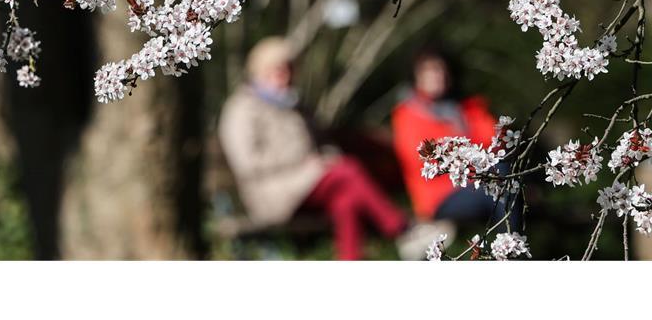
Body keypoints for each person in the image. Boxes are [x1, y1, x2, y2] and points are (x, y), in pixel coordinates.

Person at [218, 36, 444, 260]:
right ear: (261, 70)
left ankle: (351, 260)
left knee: (346, 198)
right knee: (348, 171)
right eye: (278, 70)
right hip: (271, 193)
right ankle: (402, 230)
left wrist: (324, 159)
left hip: (306, 184)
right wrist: (305, 162)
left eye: (289, 69)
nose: (286, 76)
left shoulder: (295, 106)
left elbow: (322, 143)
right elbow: (247, 162)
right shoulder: (242, 109)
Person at [391, 44, 521, 231]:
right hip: (440, 197)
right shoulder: (407, 114)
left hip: (483, 180)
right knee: (503, 184)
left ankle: (512, 245)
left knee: (506, 178)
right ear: (416, 76)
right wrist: (468, 156)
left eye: (441, 69)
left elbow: (495, 143)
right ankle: (511, 245)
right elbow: (419, 159)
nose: (438, 75)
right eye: (429, 70)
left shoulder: (467, 108)